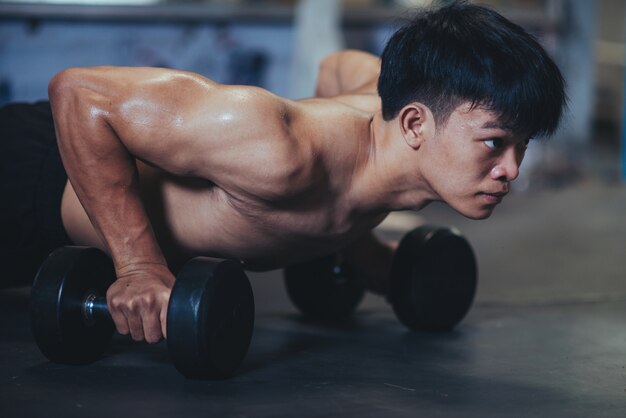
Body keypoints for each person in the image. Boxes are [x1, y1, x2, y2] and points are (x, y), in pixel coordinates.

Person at [0, 2, 565, 344]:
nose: (511, 169)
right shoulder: (278, 149)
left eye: (521, 145)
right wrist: (139, 266)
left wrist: (353, 250)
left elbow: (339, 66)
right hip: (31, 171)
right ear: (416, 124)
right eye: (494, 143)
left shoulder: (394, 129)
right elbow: (78, 92)